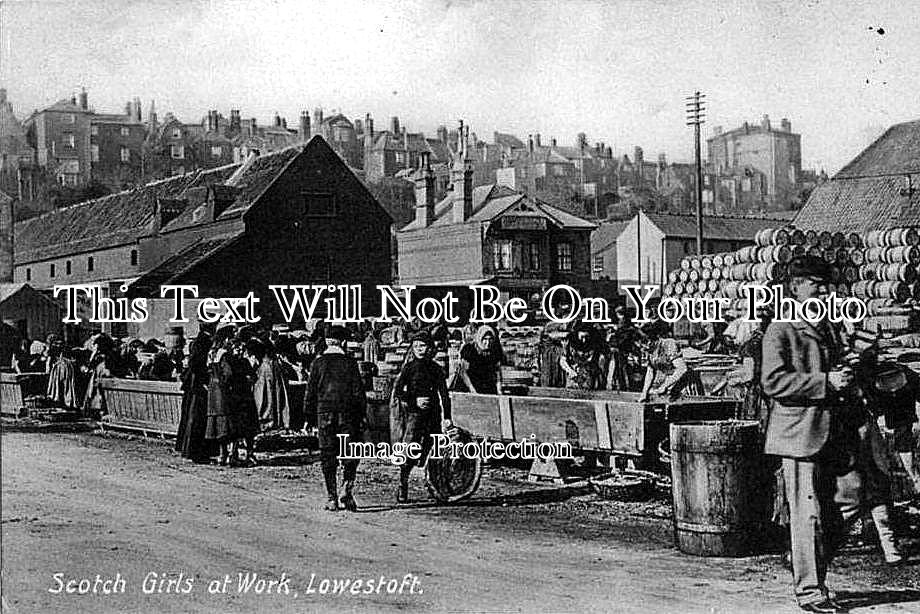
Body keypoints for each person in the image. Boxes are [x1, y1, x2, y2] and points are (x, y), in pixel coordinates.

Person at [761, 255, 864, 613]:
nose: (823, 290)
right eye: (814, 284)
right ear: (795, 288)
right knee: (807, 514)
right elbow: (773, 381)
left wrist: (849, 367)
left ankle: (805, 557)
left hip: (832, 430)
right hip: (798, 433)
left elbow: (834, 367)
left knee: (852, 497)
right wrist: (825, 381)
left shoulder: (828, 327)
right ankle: (809, 591)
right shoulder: (781, 328)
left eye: (825, 284)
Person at [303, 325, 366, 512]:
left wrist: (308, 417)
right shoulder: (350, 363)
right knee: (350, 452)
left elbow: (310, 393)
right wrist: (361, 416)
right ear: (344, 342)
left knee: (327, 455)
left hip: (324, 414)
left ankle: (331, 497)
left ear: (327, 341)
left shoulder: (318, 363)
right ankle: (347, 487)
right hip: (348, 415)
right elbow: (359, 393)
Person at [391, 332, 452, 503]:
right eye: (416, 346)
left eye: (423, 346)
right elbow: (398, 391)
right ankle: (403, 483)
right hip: (414, 415)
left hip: (433, 414)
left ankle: (437, 487)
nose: (419, 349)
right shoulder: (409, 368)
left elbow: (444, 395)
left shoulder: (436, 369)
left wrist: (447, 417)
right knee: (411, 450)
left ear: (430, 348)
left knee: (434, 452)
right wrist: (414, 400)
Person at [637, 322, 703, 403]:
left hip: (685, 382)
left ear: (654, 339)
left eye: (646, 342)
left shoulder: (668, 344)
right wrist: (644, 393)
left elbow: (682, 369)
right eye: (642, 343)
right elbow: (650, 372)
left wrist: (664, 386)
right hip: (671, 382)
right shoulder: (649, 350)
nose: (644, 347)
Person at [175, 333, 214, 463]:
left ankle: (191, 451)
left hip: (193, 388)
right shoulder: (203, 342)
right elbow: (198, 367)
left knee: (191, 420)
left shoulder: (197, 342)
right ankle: (197, 453)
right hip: (198, 389)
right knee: (197, 421)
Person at [252, 339, 291, 431]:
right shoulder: (275, 364)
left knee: (266, 394)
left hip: (268, 418)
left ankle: (268, 421)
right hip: (277, 417)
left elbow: (261, 393)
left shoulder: (265, 366)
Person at [454, 325, 504, 394]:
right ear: (480, 338)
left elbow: (497, 372)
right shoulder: (469, 349)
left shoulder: (494, 351)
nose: (488, 342)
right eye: (485, 339)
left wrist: (499, 390)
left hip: (486, 386)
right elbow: (463, 372)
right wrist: (472, 390)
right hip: (468, 387)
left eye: (490, 339)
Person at [560, 321, 604, 390]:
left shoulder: (594, 344)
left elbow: (599, 364)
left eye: (587, 337)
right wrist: (570, 371)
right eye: (582, 337)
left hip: (588, 380)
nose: (584, 340)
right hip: (573, 379)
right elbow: (562, 361)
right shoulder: (569, 343)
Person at [46, 338, 77, 410]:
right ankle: (66, 403)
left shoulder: (52, 350)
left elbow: (49, 363)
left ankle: (62, 403)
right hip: (64, 368)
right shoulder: (61, 350)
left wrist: (48, 371)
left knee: (60, 385)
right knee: (65, 386)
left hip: (61, 368)